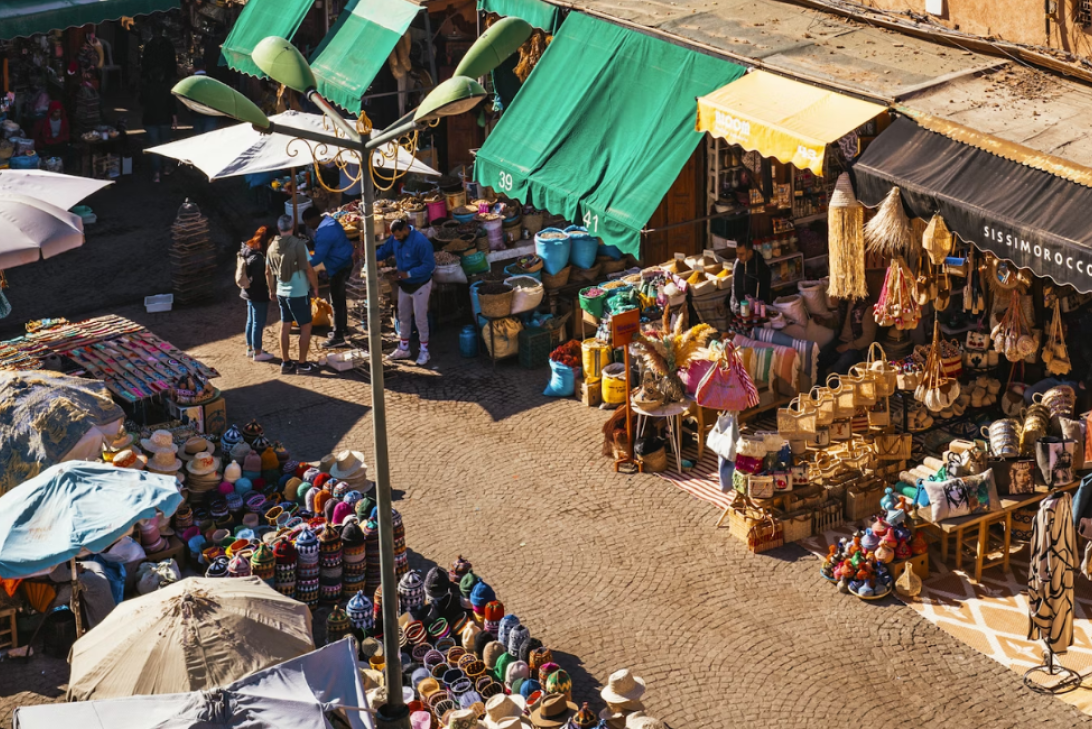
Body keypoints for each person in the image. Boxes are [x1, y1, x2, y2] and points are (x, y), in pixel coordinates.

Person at [376, 219, 436, 365]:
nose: (395, 239)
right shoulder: (395, 239)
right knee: (403, 316)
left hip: (420, 285)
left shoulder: (421, 242)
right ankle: (404, 348)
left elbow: (429, 266)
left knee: (420, 318)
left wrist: (408, 274)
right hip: (404, 285)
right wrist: (369, 256)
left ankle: (424, 351)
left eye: (397, 235)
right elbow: (385, 251)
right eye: (394, 236)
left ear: (405, 230)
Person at [266, 214, 319, 374]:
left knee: (285, 326)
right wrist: (315, 287)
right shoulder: (298, 245)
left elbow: (267, 272)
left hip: (282, 292)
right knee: (306, 327)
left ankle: (286, 362)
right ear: (293, 227)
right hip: (298, 293)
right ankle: (302, 364)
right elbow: (309, 270)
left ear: (279, 228)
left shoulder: (271, 247)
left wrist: (272, 290)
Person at [301, 206, 355, 348]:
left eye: (308, 224)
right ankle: (343, 329)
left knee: (337, 302)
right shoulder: (330, 221)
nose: (309, 227)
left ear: (311, 220)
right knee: (340, 299)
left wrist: (301, 264)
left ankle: (338, 337)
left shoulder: (325, 233)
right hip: (346, 262)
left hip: (338, 267)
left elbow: (318, 257)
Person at [239, 225, 276, 362]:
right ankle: (258, 352)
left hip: (248, 291)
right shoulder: (259, 259)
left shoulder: (248, 249)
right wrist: (271, 289)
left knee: (251, 321)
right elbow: (262, 278)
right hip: (258, 293)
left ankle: (250, 348)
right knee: (258, 323)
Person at [818, 296, 877, 376]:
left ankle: (835, 387)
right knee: (819, 359)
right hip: (840, 341)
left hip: (857, 348)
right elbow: (838, 322)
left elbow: (868, 338)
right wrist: (824, 322)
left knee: (838, 369)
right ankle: (821, 387)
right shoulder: (844, 303)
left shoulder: (866, 308)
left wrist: (848, 346)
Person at [730, 240, 772, 312]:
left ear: (750, 252)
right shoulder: (738, 263)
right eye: (737, 253)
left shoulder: (760, 267)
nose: (738, 257)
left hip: (754, 311)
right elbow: (734, 284)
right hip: (738, 308)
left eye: (742, 254)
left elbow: (764, 293)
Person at [187, 58, 218, 134]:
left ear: (193, 68)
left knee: (199, 140)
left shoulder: (189, 82)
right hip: (211, 113)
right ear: (205, 66)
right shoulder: (212, 81)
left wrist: (190, 110)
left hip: (196, 114)